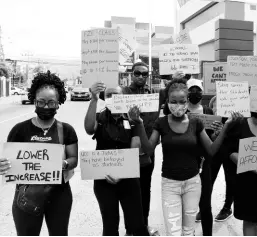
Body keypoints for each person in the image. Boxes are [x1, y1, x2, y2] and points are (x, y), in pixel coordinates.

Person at [128, 78, 241, 236]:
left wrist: (226, 126)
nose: (178, 105)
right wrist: (139, 124)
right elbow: (148, 148)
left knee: (188, 232)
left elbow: (211, 150)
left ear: (187, 102)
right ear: (167, 101)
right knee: (174, 232)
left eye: (182, 101)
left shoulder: (195, 122)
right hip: (170, 185)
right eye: (174, 101)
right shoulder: (161, 123)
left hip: (192, 184)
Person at [0, 70, 78, 236]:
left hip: (59, 195)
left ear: (58, 103)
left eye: (51, 103)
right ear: (34, 101)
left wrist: (63, 164)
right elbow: (9, 161)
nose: (46, 107)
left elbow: (74, 159)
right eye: (41, 102)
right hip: (26, 196)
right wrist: (3, 166)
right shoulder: (19, 130)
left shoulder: (66, 130)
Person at [84, 82, 149, 236]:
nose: (113, 98)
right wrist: (93, 100)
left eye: (117, 95)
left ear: (124, 98)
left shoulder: (132, 118)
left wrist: (122, 173)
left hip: (128, 179)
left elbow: (135, 147)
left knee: (137, 225)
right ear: (104, 98)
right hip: (103, 180)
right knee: (110, 226)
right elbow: (88, 129)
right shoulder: (99, 117)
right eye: (109, 95)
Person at [123, 62, 166, 236]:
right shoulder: (123, 93)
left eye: (144, 74)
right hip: (126, 149)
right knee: (128, 189)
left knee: (144, 189)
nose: (141, 76)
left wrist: (177, 78)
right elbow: (105, 95)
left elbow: (172, 90)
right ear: (131, 74)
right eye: (137, 73)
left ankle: (143, 226)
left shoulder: (153, 95)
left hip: (148, 149)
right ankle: (130, 229)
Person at [185, 78, 214, 235]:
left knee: (205, 204)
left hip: (204, 164)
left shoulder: (208, 112)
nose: (195, 93)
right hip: (185, 162)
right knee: (187, 205)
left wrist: (217, 132)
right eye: (192, 90)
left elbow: (212, 139)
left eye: (198, 90)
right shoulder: (181, 110)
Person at [227, 110, 257, 236]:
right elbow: (228, 150)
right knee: (250, 220)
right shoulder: (239, 123)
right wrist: (251, 165)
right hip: (247, 183)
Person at [209, 96, 236, 222]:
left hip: (231, 151)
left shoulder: (238, 115)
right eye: (216, 106)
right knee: (208, 179)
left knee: (231, 180)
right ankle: (204, 208)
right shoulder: (214, 102)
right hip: (215, 151)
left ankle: (227, 208)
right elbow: (210, 137)